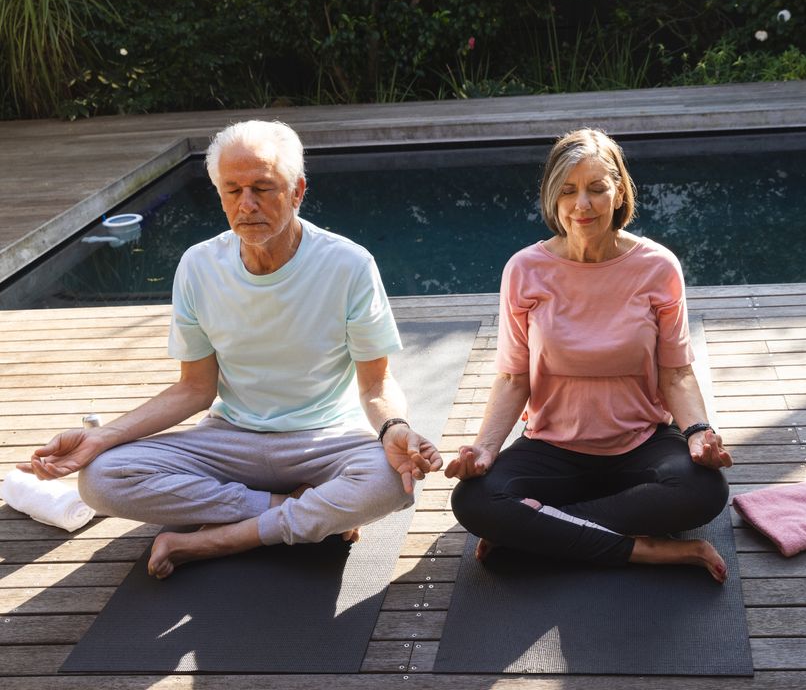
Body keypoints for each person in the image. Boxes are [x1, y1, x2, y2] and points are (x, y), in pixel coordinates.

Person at [18, 120, 441, 579]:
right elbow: (195, 389)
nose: (247, 204)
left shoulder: (349, 264)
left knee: (393, 482)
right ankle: (287, 510)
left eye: (263, 187)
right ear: (219, 193)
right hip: (230, 439)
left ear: (297, 191)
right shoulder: (199, 266)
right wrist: (101, 438)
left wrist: (395, 429)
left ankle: (219, 538)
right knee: (100, 480)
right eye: (233, 190)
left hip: (324, 440)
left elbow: (376, 382)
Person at [445, 128, 732, 581]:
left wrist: (698, 432)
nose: (583, 205)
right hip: (553, 447)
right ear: (552, 198)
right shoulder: (525, 269)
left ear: (619, 193)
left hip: (641, 442)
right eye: (569, 191)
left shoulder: (657, 267)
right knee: (473, 500)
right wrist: (483, 450)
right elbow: (513, 377)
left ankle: (538, 527)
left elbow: (676, 373)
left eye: (597, 189)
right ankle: (653, 551)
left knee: (704, 491)